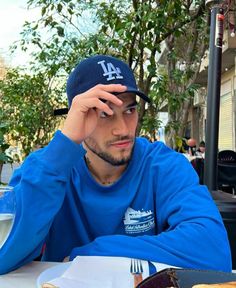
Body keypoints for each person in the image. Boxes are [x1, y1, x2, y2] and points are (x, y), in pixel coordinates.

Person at [0, 55, 231, 274]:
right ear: (76, 117)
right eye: (104, 113)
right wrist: (65, 145)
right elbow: (4, 256)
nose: (123, 129)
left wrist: (93, 253)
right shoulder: (49, 168)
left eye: (129, 110)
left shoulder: (163, 165)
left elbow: (213, 250)